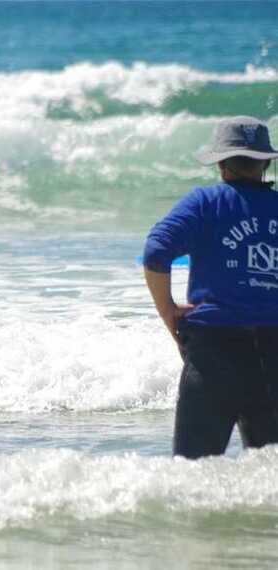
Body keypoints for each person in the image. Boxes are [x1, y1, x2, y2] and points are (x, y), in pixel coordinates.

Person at [143, 116, 278, 459]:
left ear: (220, 163)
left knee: (190, 476)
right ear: (265, 161)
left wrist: (170, 316)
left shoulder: (205, 203)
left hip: (214, 355)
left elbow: (156, 252)